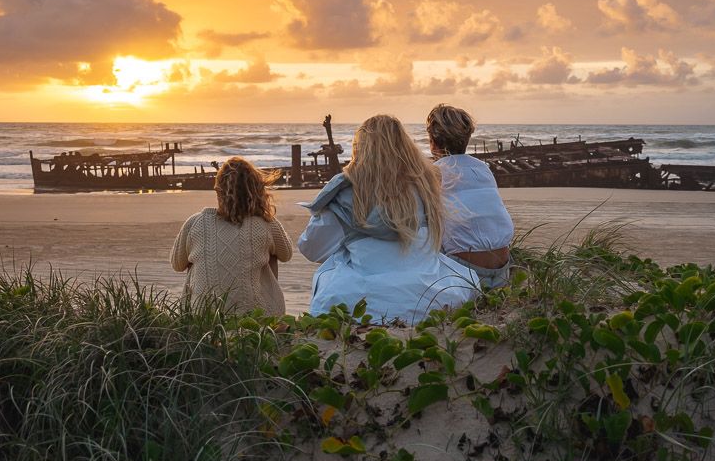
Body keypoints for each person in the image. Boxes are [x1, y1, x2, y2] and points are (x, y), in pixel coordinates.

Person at [298, 115, 477, 324]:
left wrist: (353, 237)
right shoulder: (425, 187)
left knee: (331, 268)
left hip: (366, 303)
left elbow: (311, 249)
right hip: (432, 298)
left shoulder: (346, 194)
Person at [170, 157, 292, 315]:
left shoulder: (196, 222)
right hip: (255, 316)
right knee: (272, 254)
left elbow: (177, 264)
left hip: (203, 318)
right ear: (257, 190)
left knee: (193, 259)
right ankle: (264, 308)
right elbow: (287, 253)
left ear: (218, 190)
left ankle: (204, 307)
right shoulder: (265, 223)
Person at [426, 104, 514, 288]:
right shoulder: (482, 168)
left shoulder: (435, 172)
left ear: (433, 140)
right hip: (503, 268)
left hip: (466, 272)